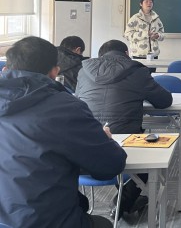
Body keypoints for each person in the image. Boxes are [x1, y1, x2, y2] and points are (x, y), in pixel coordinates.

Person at [0, 36, 126, 228]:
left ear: (5, 69)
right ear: (55, 72)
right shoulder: (65, 107)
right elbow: (110, 166)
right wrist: (104, 138)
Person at [76, 39, 172, 219]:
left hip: (87, 141)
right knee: (148, 159)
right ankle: (122, 204)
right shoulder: (138, 71)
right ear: (127, 53)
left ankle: (121, 199)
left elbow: (79, 99)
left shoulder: (83, 71)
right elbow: (164, 101)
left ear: (100, 55)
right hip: (127, 139)